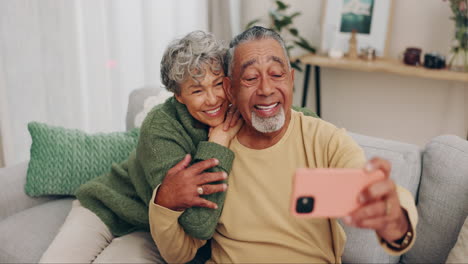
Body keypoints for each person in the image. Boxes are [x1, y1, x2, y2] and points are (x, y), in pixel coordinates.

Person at [149, 26, 418, 263]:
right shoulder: (218, 150)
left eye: (276, 74)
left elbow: (375, 186)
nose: (266, 89)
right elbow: (179, 253)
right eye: (251, 78)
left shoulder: (323, 140)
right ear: (230, 89)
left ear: (291, 79)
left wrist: (396, 219)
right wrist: (164, 203)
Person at [39, 30, 243, 263]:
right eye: (197, 90)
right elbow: (196, 223)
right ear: (178, 96)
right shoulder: (160, 126)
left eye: (218, 84)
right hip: (108, 207)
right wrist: (217, 144)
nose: (213, 98)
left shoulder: (240, 113)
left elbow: (196, 226)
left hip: (151, 229)